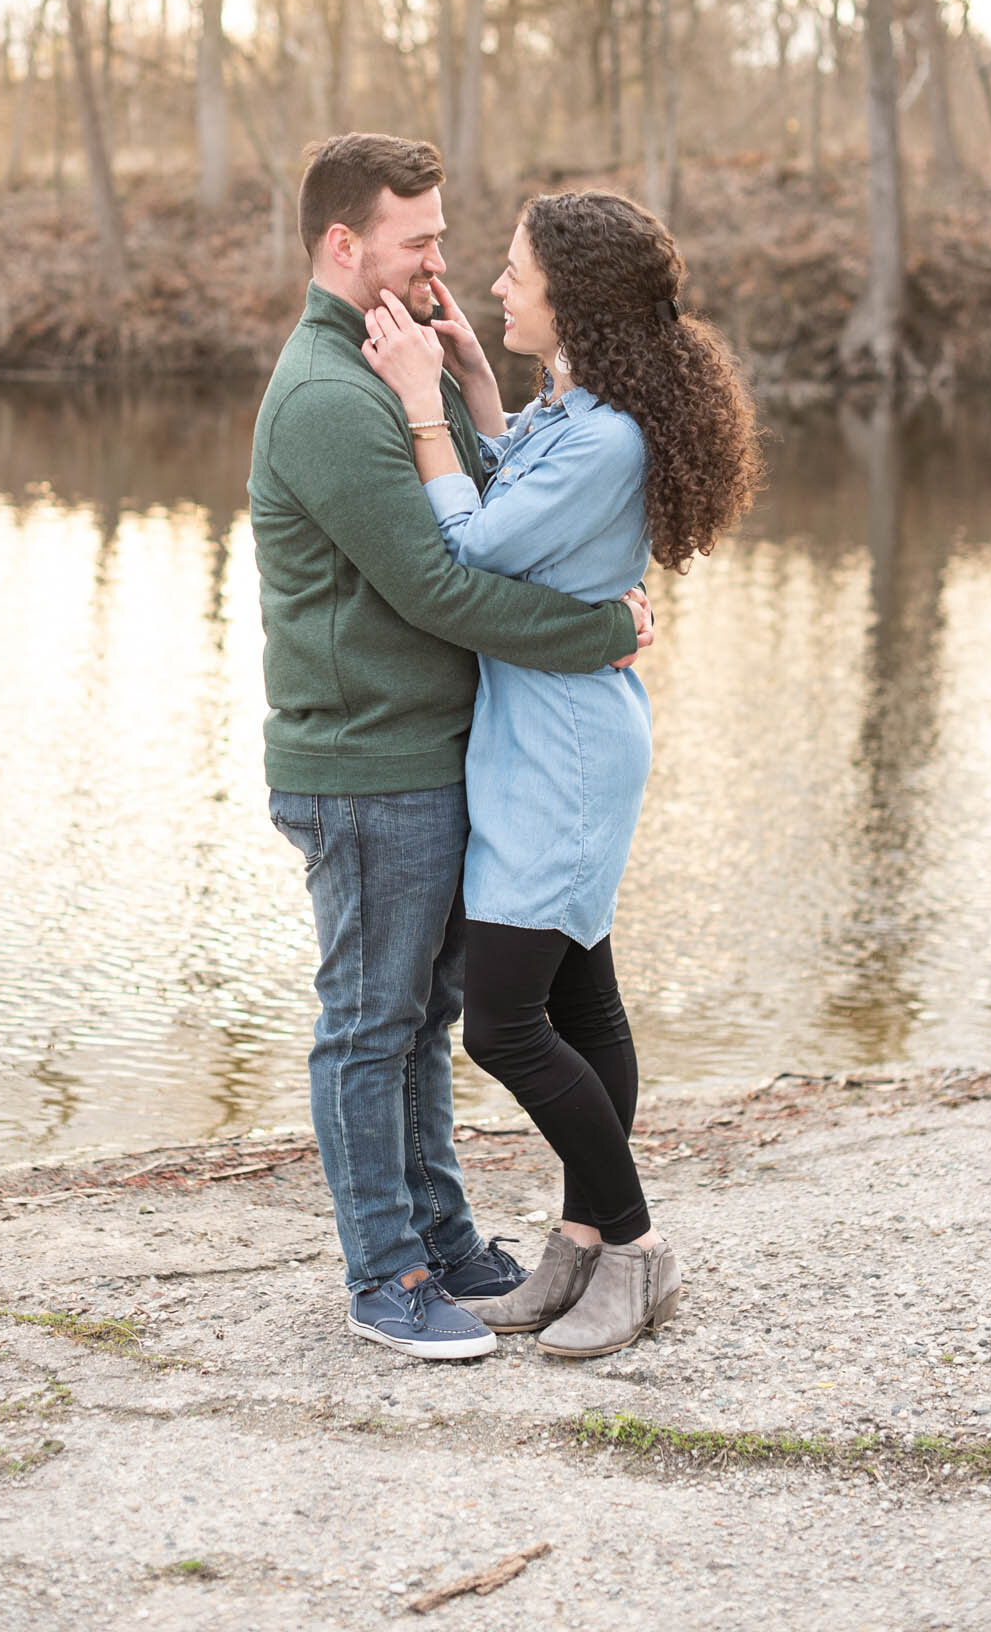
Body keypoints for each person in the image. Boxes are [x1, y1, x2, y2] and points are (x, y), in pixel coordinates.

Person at [247, 135, 652, 1362]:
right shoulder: (327, 395)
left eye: (441, 235)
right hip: (365, 764)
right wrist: (595, 630)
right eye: (416, 239)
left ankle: (446, 1236)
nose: (441, 260)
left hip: (436, 751)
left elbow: (493, 494)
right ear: (342, 244)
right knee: (371, 1024)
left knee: (421, 1019)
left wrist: (462, 395)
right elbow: (440, 582)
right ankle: (386, 1273)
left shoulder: (385, 363)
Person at [361, 189, 760, 1359]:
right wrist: (480, 387)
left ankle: (632, 1249)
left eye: (514, 271)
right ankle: (577, 1244)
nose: (492, 283)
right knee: (582, 1001)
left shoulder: (606, 434)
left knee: (502, 1019)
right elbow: (510, 488)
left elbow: (471, 541)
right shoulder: (579, 409)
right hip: (543, 733)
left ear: (570, 296)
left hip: (566, 751)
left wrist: (419, 406)